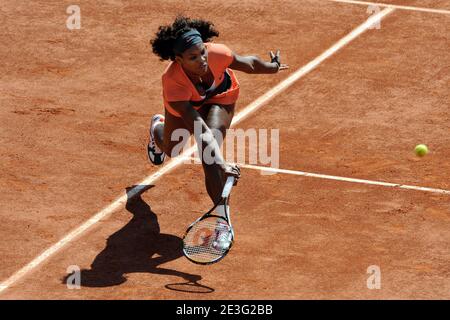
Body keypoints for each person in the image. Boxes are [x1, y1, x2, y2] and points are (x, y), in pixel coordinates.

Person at [148, 15, 288, 213]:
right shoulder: (173, 82)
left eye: (202, 52)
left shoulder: (217, 53)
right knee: (173, 149)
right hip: (187, 106)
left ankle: (220, 215)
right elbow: (200, 130)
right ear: (179, 60)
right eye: (193, 57)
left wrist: (272, 67)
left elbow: (249, 64)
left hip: (220, 96)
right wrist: (222, 164)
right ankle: (157, 128)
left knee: (209, 153)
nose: (202, 60)